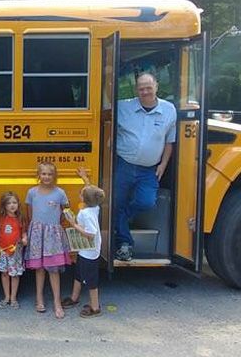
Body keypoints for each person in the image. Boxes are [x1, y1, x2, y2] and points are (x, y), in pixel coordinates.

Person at [114, 73, 176, 261]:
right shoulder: (123, 107)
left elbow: (169, 142)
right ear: (136, 90)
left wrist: (163, 164)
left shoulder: (169, 110)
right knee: (115, 203)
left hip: (149, 169)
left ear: (156, 86)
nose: (145, 91)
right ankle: (124, 243)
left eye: (148, 87)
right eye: (141, 88)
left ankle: (123, 217)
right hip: (123, 165)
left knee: (147, 202)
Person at [24, 162, 71, 319]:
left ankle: (57, 302)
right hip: (37, 233)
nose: (46, 177)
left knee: (54, 268)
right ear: (38, 175)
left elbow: (66, 210)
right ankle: (39, 298)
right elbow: (29, 212)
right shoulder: (32, 192)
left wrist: (56, 225)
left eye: (50, 174)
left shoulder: (60, 193)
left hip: (53, 234)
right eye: (43, 174)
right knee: (39, 269)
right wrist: (35, 229)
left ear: (54, 176)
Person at [61, 184, 105, 318]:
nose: (79, 195)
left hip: (89, 252)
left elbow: (91, 234)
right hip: (85, 250)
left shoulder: (86, 213)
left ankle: (95, 307)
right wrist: (85, 178)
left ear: (84, 199)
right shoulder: (94, 207)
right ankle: (74, 298)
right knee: (78, 274)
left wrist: (73, 224)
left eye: (81, 194)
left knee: (91, 280)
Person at [0, 192, 27, 310]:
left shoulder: (20, 218)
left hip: (15, 252)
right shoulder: (0, 218)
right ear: (4, 205)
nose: (12, 205)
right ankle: (6, 296)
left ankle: (13, 297)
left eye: (14, 202)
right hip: (2, 251)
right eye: (9, 203)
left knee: (15, 274)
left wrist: (25, 238)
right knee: (5, 274)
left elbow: (23, 232)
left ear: (18, 204)